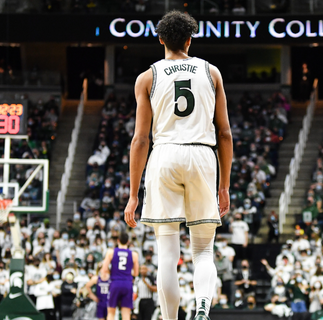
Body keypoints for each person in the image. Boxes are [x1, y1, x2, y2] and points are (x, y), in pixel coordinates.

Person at [123, 9, 233, 320]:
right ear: (189, 39)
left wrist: (134, 194)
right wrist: (224, 185)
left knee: (168, 256)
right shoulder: (211, 73)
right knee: (203, 251)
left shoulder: (147, 77)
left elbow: (140, 140)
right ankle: (202, 309)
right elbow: (224, 133)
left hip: (164, 155)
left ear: (160, 39)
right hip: (201, 153)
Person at [100, 232, 139, 320]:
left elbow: (104, 269)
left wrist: (114, 271)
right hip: (127, 284)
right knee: (126, 314)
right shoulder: (134, 254)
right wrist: (126, 272)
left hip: (115, 283)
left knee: (111, 312)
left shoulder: (111, 252)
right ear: (128, 242)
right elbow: (136, 273)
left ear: (118, 241)